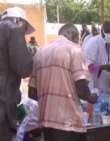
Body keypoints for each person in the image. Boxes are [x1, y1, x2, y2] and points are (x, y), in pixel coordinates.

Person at [28, 24, 98, 141]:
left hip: (47, 122)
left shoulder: (39, 53)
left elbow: (32, 93)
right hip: (69, 122)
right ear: (75, 35)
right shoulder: (74, 50)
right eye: (78, 39)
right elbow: (81, 90)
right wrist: (91, 97)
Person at [0, 7, 34, 141]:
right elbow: (24, 68)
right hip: (3, 103)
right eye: (24, 29)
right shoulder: (13, 29)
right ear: (19, 20)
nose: (23, 34)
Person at [83, 21, 110, 92]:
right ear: (102, 31)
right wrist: (103, 67)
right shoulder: (92, 43)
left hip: (109, 84)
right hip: (95, 85)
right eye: (108, 34)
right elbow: (87, 65)